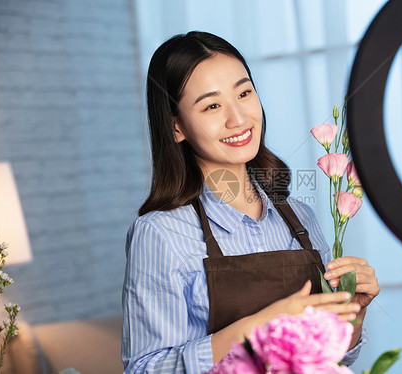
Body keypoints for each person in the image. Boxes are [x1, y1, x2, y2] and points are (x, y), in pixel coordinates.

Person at [121, 31, 380, 374]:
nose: (238, 119)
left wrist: (353, 313)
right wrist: (260, 327)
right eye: (212, 105)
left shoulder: (299, 218)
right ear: (177, 127)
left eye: (244, 93)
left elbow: (331, 358)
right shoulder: (159, 233)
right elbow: (144, 369)